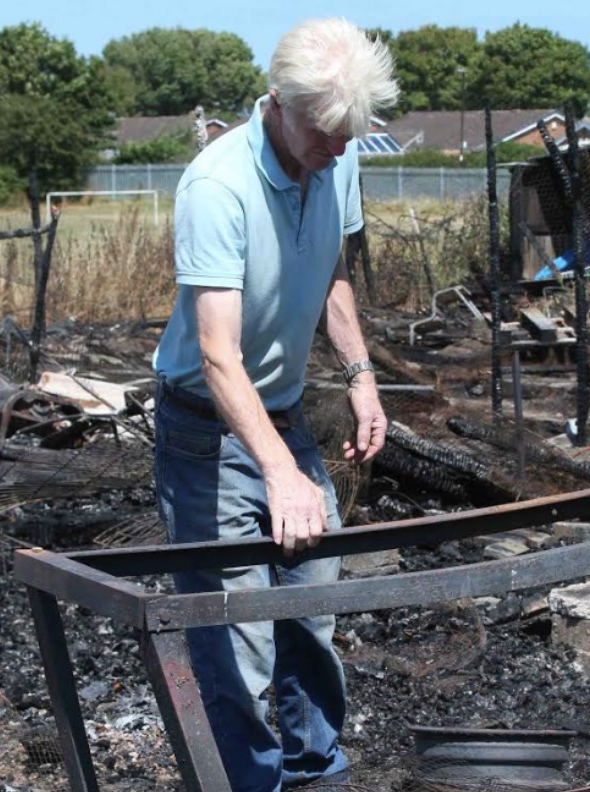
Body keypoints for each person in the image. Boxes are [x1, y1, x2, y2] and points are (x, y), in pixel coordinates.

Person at [151, 17, 397, 792]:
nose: (336, 150)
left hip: (284, 417)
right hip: (206, 432)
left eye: (348, 136)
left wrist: (360, 375)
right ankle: (244, 785)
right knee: (237, 637)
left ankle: (317, 774)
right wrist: (281, 473)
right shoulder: (218, 186)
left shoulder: (337, 154)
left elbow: (332, 272)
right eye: (325, 133)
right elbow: (219, 354)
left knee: (311, 613)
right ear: (278, 104)